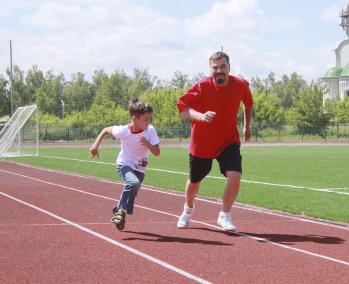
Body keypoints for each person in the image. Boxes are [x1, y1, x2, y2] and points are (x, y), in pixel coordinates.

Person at [176, 51, 253, 231]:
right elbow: (182, 109)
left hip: (228, 140)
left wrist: (246, 126)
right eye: (215, 67)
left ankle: (224, 214)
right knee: (194, 181)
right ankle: (188, 209)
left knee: (235, 175)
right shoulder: (201, 86)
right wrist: (201, 117)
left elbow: (248, 103)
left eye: (223, 67)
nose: (219, 70)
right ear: (210, 69)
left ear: (229, 68)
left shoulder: (240, 85)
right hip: (202, 143)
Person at [90, 98, 160, 230]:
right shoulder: (123, 131)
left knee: (133, 191)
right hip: (124, 164)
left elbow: (157, 152)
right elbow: (105, 130)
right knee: (133, 183)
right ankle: (121, 212)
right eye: (146, 119)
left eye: (150, 118)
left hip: (140, 168)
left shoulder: (150, 130)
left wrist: (147, 143)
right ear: (134, 118)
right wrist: (95, 146)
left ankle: (118, 208)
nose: (149, 122)